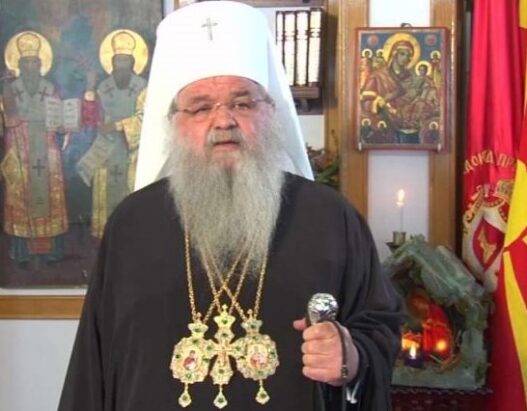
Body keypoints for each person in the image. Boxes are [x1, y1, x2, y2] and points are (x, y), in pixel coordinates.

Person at [59, 2, 402, 410]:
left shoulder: (329, 218)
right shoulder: (131, 225)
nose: (223, 121)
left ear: (270, 112)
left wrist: (352, 355)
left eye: (242, 103)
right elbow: (93, 366)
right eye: (201, 107)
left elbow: (378, 327)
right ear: (174, 123)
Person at [0, 31, 68, 266]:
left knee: (49, 193)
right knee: (20, 195)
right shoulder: (8, 90)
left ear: (41, 65)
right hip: (19, 148)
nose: (30, 67)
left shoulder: (50, 88)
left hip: (47, 149)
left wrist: (63, 126)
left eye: (34, 62)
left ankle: (51, 251)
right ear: (19, 65)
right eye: (26, 62)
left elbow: (60, 120)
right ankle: (21, 251)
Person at [76, 30, 147, 238]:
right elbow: (90, 118)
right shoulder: (103, 87)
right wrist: (90, 88)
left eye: (126, 60)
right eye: (118, 60)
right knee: (106, 201)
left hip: (132, 153)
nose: (121, 65)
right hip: (106, 150)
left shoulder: (143, 87)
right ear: (112, 62)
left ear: (133, 62)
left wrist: (117, 126)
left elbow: (146, 118)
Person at [360, 35, 440, 145]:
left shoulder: (412, 78)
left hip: (410, 126)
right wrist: (382, 101)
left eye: (409, 56)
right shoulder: (378, 76)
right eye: (403, 54)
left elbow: (416, 100)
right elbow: (365, 102)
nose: (406, 58)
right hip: (386, 124)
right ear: (394, 54)